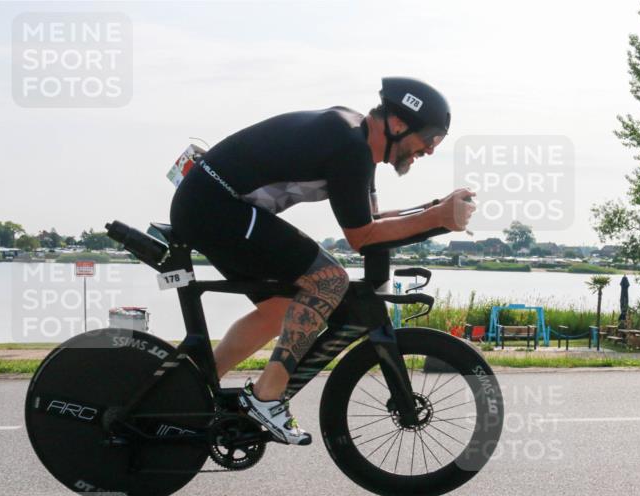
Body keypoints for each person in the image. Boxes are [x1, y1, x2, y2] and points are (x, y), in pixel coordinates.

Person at [170, 77, 476, 445]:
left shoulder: (356, 143)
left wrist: (433, 210)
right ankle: (267, 397)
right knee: (329, 279)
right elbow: (361, 236)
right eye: (429, 139)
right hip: (215, 205)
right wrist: (435, 219)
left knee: (282, 307)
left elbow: (373, 222)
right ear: (398, 124)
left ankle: (190, 390)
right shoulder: (349, 147)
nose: (428, 151)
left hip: (212, 205)